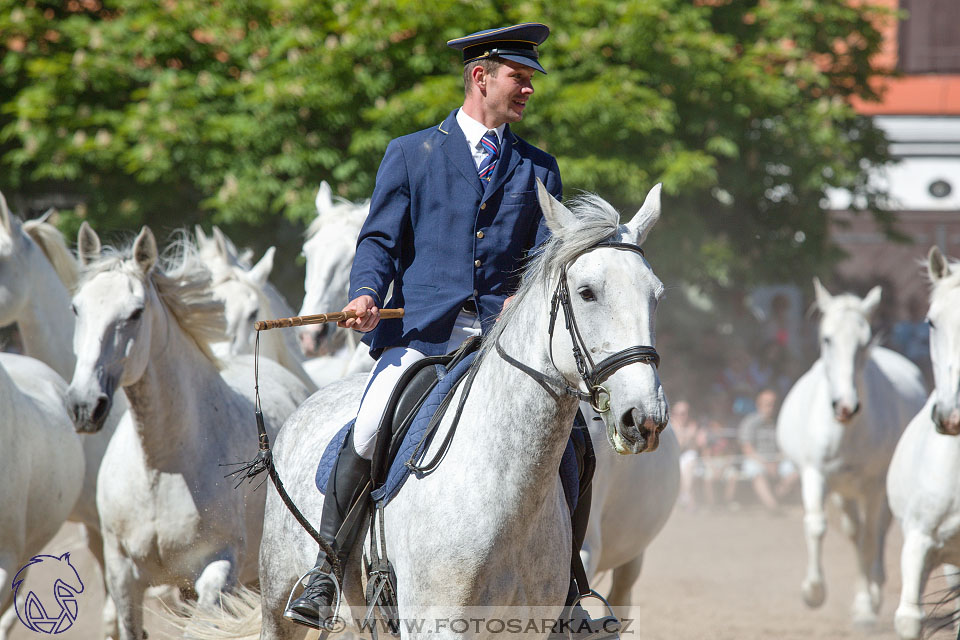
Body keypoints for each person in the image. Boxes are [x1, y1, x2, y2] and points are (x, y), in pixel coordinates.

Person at [285, 23, 605, 634]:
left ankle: (565, 593)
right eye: (520, 77)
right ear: (481, 77)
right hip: (425, 339)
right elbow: (379, 239)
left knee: (577, 444)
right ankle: (329, 569)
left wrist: (518, 301)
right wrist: (365, 291)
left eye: (532, 79)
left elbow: (548, 254)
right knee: (371, 424)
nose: (529, 89)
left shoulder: (540, 168)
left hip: (506, 347)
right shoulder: (411, 154)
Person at [736, 388, 798, 511]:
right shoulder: (749, 422)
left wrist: (777, 460)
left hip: (778, 459)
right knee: (756, 472)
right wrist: (766, 463)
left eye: (774, 403)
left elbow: (786, 446)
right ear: (759, 405)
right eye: (768, 404)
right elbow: (747, 448)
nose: (771, 407)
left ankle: (775, 495)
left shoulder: (781, 422)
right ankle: (772, 506)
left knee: (796, 471)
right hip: (756, 459)